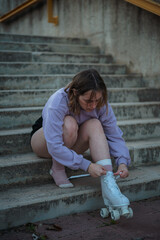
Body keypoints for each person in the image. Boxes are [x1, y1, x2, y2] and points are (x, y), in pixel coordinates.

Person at [30, 69, 131, 188]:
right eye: (88, 101)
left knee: (95, 123)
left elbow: (114, 135)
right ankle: (57, 168)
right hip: (44, 143)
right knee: (69, 124)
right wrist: (87, 165)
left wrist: (122, 162)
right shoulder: (58, 101)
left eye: (97, 100)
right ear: (75, 93)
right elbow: (54, 145)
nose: (93, 105)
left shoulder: (101, 104)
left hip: (74, 142)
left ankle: (108, 181)